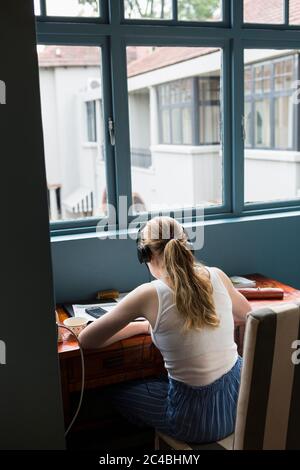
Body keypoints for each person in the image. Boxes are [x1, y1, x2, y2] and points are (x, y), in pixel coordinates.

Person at [79, 216, 251, 443]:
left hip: (197, 423)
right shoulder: (217, 275)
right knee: (164, 382)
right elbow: (247, 314)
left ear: (146, 255)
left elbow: (87, 339)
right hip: (239, 405)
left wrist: (140, 327)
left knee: (116, 392)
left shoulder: (148, 294)